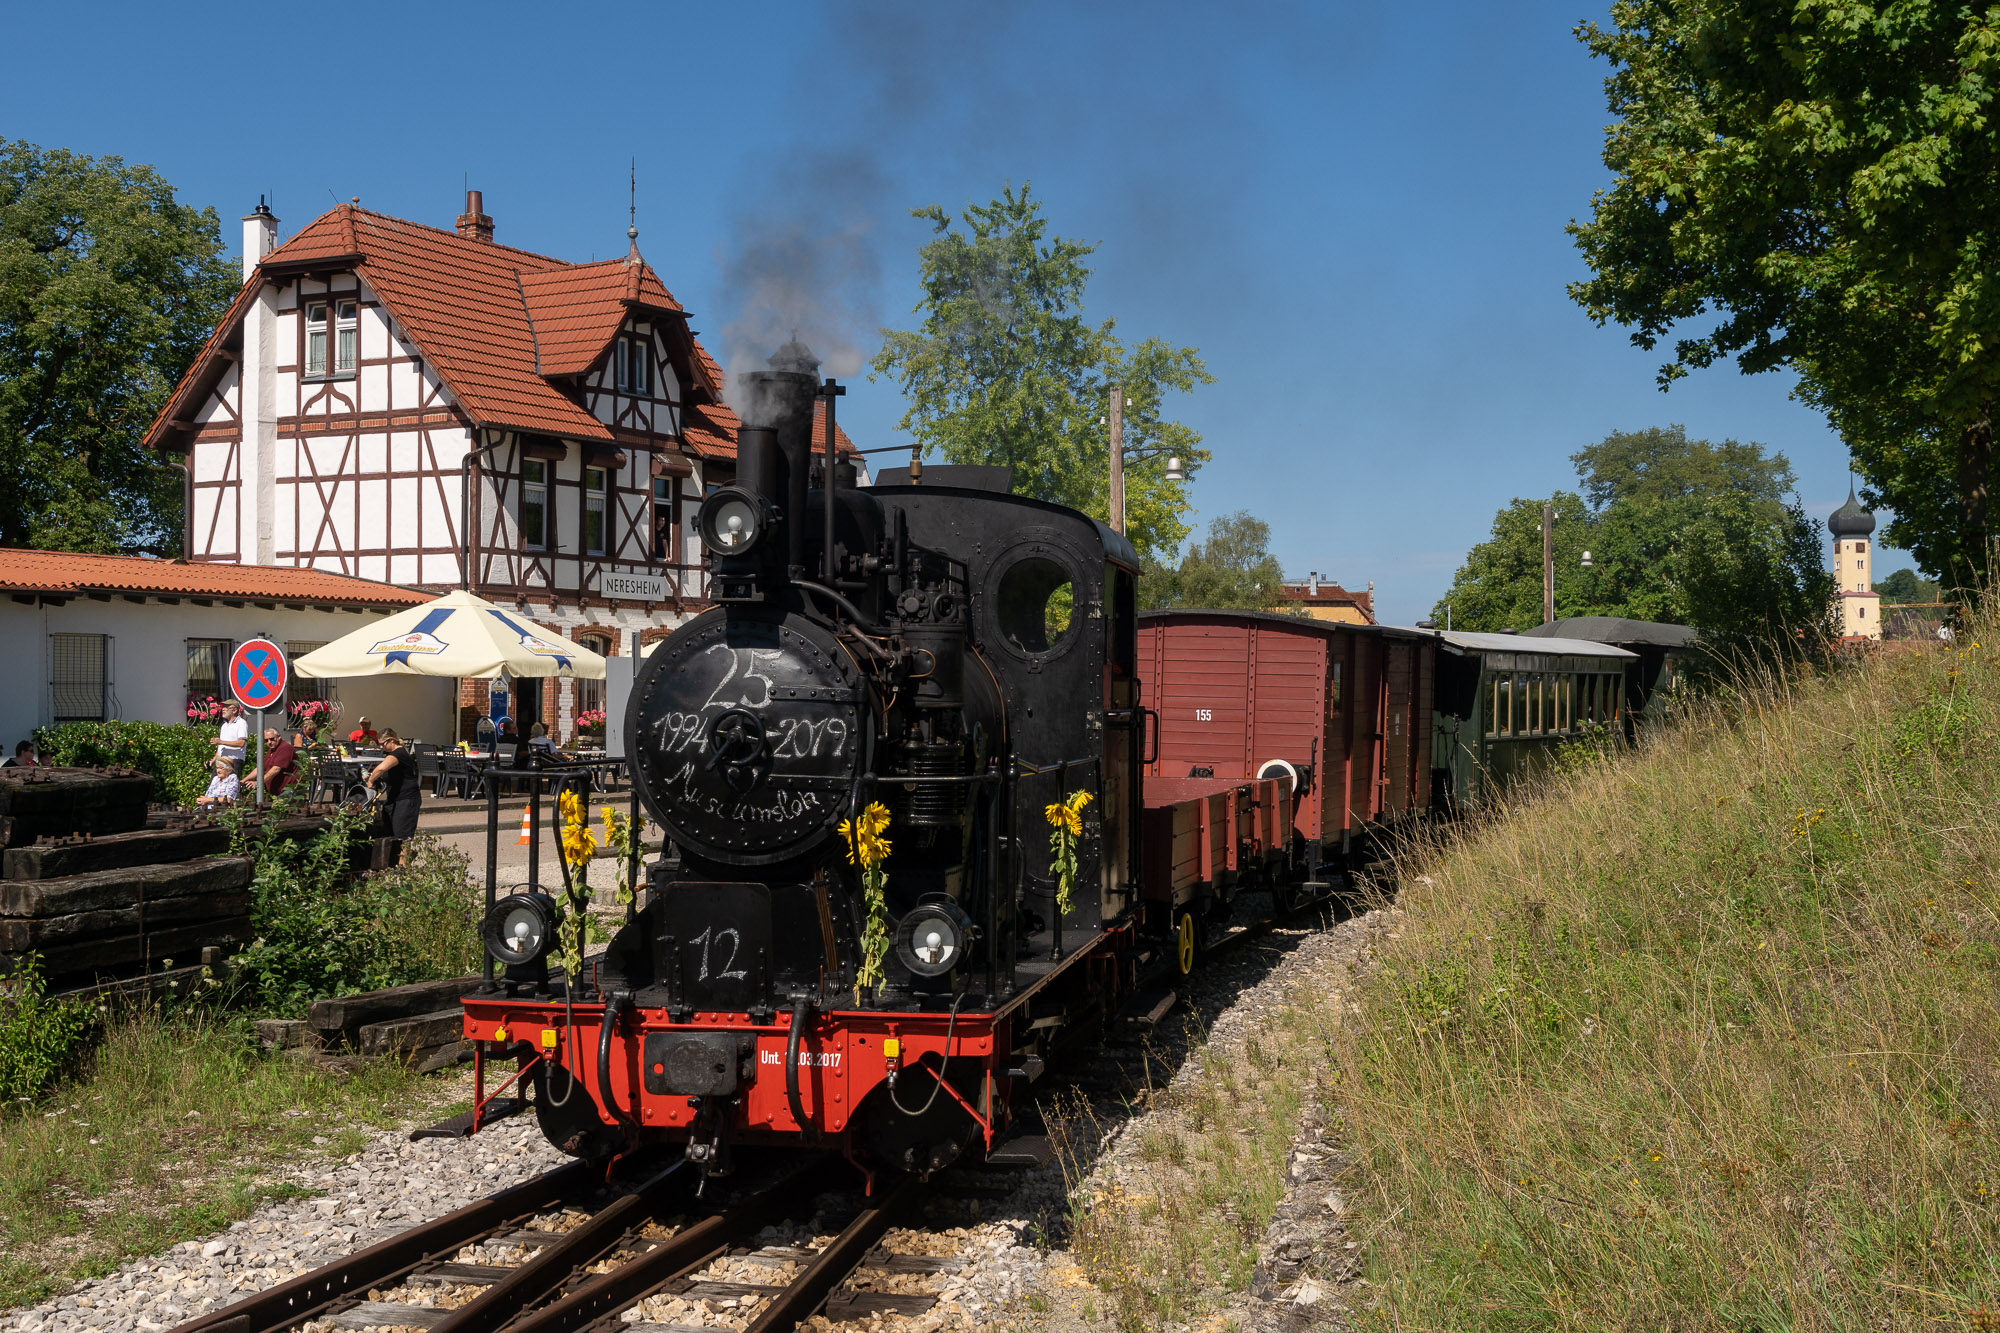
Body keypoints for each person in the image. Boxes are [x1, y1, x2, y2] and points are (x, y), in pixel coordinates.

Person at [363, 728, 422, 842]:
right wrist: (373, 777)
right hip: (394, 800)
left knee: (402, 838)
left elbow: (381, 768)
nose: (381, 747)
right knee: (389, 835)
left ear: (391, 741)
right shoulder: (393, 755)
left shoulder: (399, 753)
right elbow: (386, 774)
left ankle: (403, 859)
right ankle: (393, 859)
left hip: (406, 800)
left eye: (382, 744)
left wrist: (370, 781)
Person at [260, 727, 298, 797]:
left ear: (278, 737)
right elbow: (260, 768)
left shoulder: (285, 748)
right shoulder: (272, 750)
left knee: (279, 807)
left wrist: (258, 783)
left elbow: (276, 769)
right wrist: (243, 781)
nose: (269, 742)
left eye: (271, 739)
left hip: (288, 789)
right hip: (278, 791)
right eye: (266, 740)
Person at [216, 701, 249, 766]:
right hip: (222, 761)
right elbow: (221, 747)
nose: (223, 709)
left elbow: (241, 743)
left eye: (226, 707)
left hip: (234, 760)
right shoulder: (224, 725)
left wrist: (221, 742)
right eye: (223, 707)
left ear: (234, 710)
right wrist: (213, 760)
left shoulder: (241, 723)